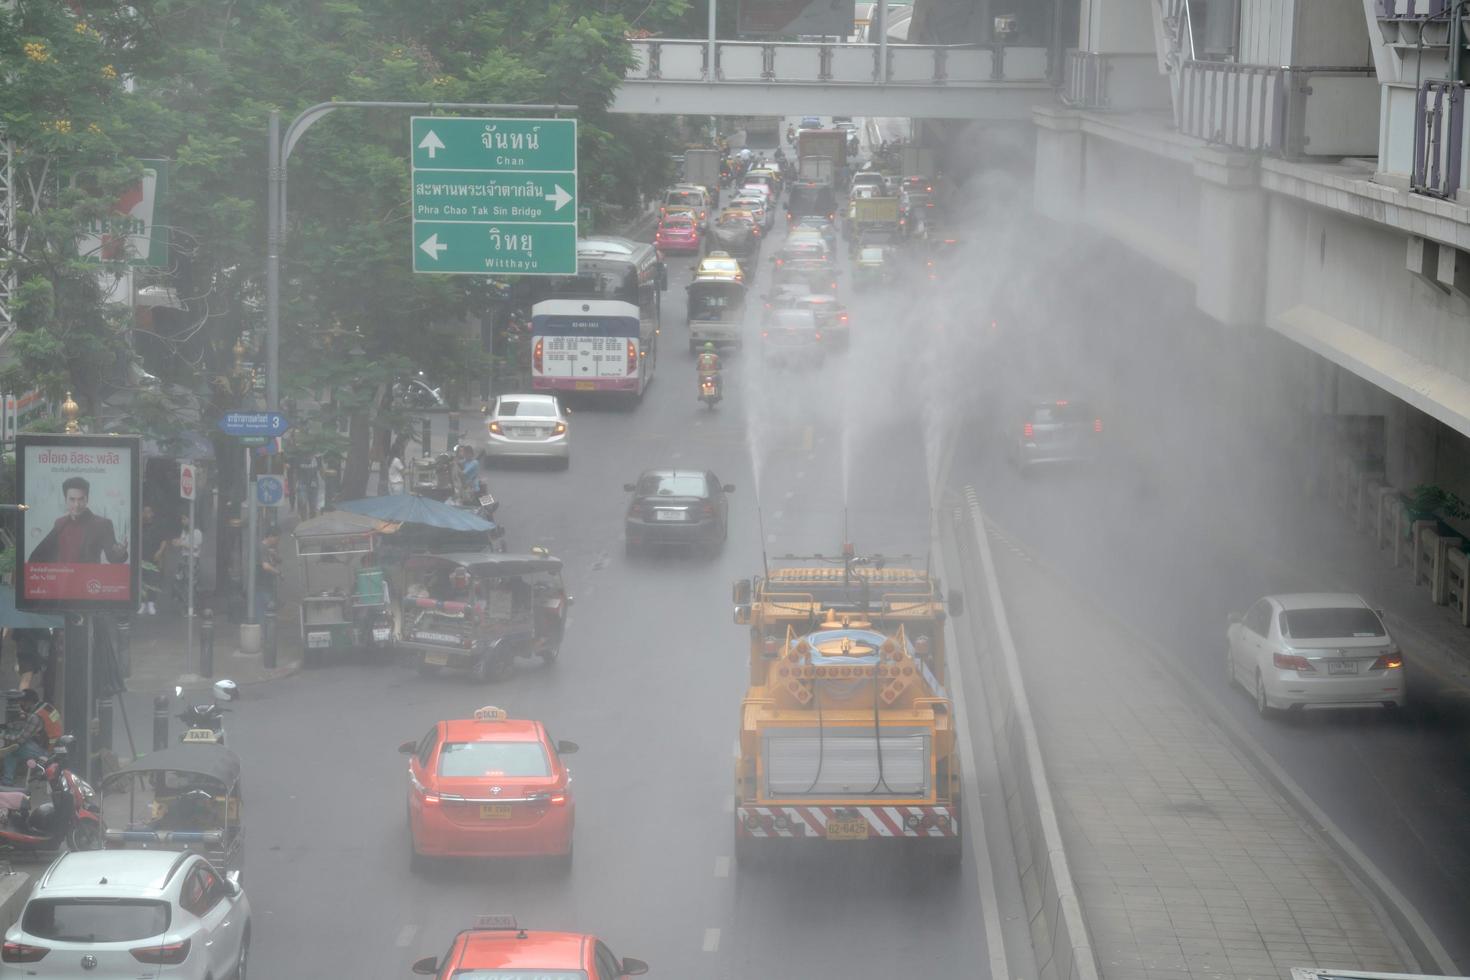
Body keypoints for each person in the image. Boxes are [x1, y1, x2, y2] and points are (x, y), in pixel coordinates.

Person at [29, 476, 128, 564]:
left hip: (88, 581)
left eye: (81, 499)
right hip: (62, 581)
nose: (76, 504)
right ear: (65, 500)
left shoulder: (102, 524)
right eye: (72, 499)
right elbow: (37, 556)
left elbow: (113, 557)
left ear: (87, 499)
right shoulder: (60, 523)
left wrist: (120, 554)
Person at [4, 689, 59, 785]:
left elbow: (21, 739)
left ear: (29, 702)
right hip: (54, 746)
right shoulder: (45, 707)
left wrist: (4, 736)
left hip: (46, 752)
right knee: (12, 747)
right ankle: (7, 780)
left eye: (22, 703)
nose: (21, 706)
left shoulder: (35, 717)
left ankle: (6, 781)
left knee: (11, 749)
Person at [171, 513, 203, 609]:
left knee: (191, 583)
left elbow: (196, 548)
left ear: (190, 519)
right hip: (184, 558)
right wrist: (176, 542)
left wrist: (182, 544)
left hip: (192, 559)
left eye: (184, 519)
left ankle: (191, 606)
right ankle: (185, 605)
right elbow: (181, 541)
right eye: (182, 519)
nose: (182, 521)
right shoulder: (184, 531)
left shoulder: (197, 532)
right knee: (181, 581)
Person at [12, 628, 51, 693]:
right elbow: (46, 636)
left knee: (25, 679)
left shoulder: (21, 621)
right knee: (26, 679)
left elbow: (15, 636)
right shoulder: (40, 622)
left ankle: (23, 699)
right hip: (31, 652)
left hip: (22, 651)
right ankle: (23, 700)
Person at [255, 531, 281, 621]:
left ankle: (265, 631)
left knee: (266, 610)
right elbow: (266, 566)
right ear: (270, 536)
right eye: (276, 539)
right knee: (264, 610)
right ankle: (263, 632)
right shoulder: (262, 548)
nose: (277, 542)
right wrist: (278, 573)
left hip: (265, 584)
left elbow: (279, 560)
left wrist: (274, 554)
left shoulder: (268, 549)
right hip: (262, 584)